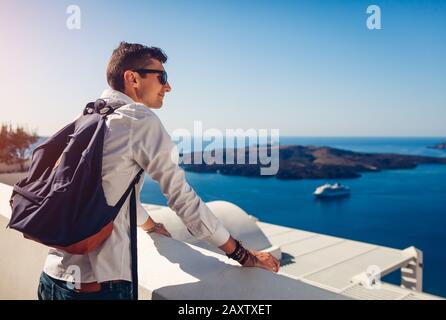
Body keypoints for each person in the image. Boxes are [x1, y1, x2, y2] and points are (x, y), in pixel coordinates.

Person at [38, 42, 280, 300]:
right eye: (161, 77)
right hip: (97, 287)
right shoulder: (139, 120)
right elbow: (182, 199)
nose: (168, 86)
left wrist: (149, 224)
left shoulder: (87, 115)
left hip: (52, 278)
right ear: (132, 78)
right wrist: (241, 253)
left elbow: (109, 193)